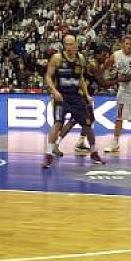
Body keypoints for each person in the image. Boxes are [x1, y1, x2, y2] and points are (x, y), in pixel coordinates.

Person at [42, 35, 105, 169]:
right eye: (67, 44)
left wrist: (87, 95)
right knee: (58, 123)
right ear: (64, 45)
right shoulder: (57, 58)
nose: (70, 47)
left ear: (76, 44)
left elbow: (81, 78)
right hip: (61, 96)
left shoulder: (80, 58)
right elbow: (48, 76)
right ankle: (48, 155)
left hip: (76, 96)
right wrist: (54, 91)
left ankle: (94, 152)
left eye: (72, 44)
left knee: (87, 124)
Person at [52, 45, 115, 156]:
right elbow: (103, 83)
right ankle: (59, 144)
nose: (106, 58)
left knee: (84, 120)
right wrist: (119, 80)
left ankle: (78, 141)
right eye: (104, 55)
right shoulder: (93, 66)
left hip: (84, 95)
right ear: (97, 55)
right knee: (80, 121)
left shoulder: (94, 65)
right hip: (81, 96)